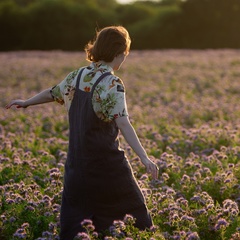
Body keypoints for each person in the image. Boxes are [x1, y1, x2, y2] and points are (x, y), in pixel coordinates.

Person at [6, 25, 159, 239]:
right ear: (119, 53)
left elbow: (52, 93)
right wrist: (145, 158)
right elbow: (123, 123)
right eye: (125, 53)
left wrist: (27, 102)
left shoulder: (78, 75)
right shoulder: (112, 82)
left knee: (76, 225)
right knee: (136, 216)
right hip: (108, 168)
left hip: (77, 168)